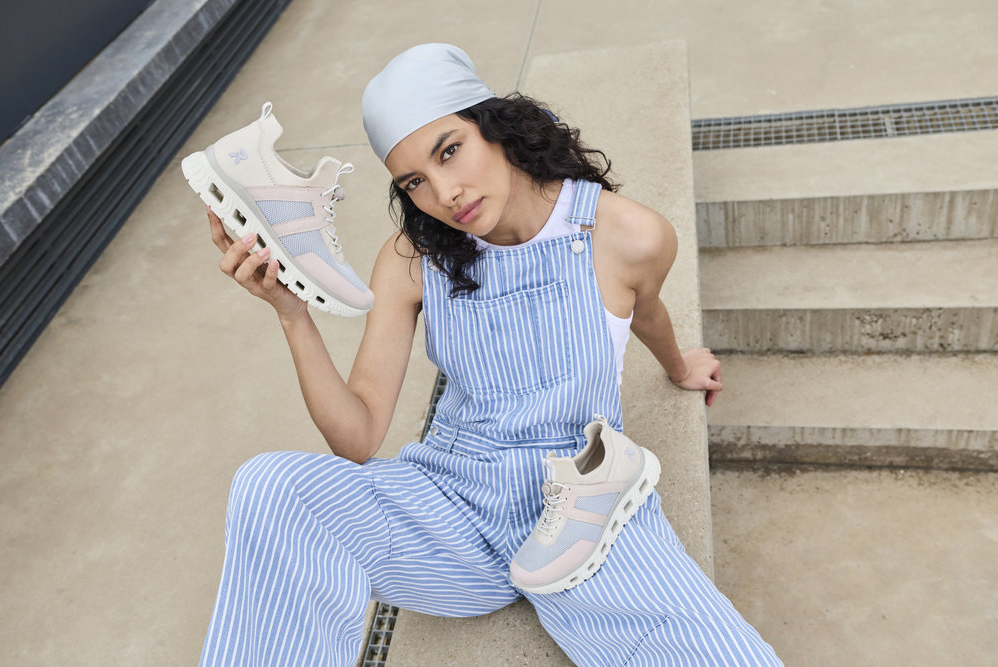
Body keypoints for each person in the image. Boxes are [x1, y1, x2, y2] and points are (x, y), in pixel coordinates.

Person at [198, 43, 780, 666]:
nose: (445, 193)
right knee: (269, 487)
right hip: (448, 509)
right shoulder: (413, 258)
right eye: (414, 182)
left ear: (496, 126)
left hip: (582, 509)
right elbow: (358, 436)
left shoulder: (627, 233)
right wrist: (292, 314)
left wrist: (680, 366)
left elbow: (646, 308)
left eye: (449, 150)